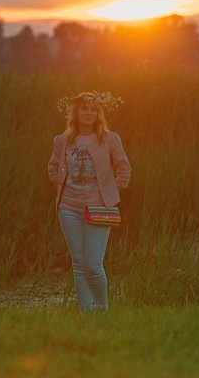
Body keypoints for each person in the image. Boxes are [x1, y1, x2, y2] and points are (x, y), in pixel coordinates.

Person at [48, 91, 131, 312]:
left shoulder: (110, 139)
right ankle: (86, 313)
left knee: (93, 264)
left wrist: (114, 189)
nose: (88, 112)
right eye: (84, 108)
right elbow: (53, 165)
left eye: (93, 109)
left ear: (99, 113)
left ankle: (102, 309)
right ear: (76, 111)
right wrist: (59, 181)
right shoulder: (63, 140)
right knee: (78, 264)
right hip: (68, 207)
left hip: (99, 207)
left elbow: (123, 167)